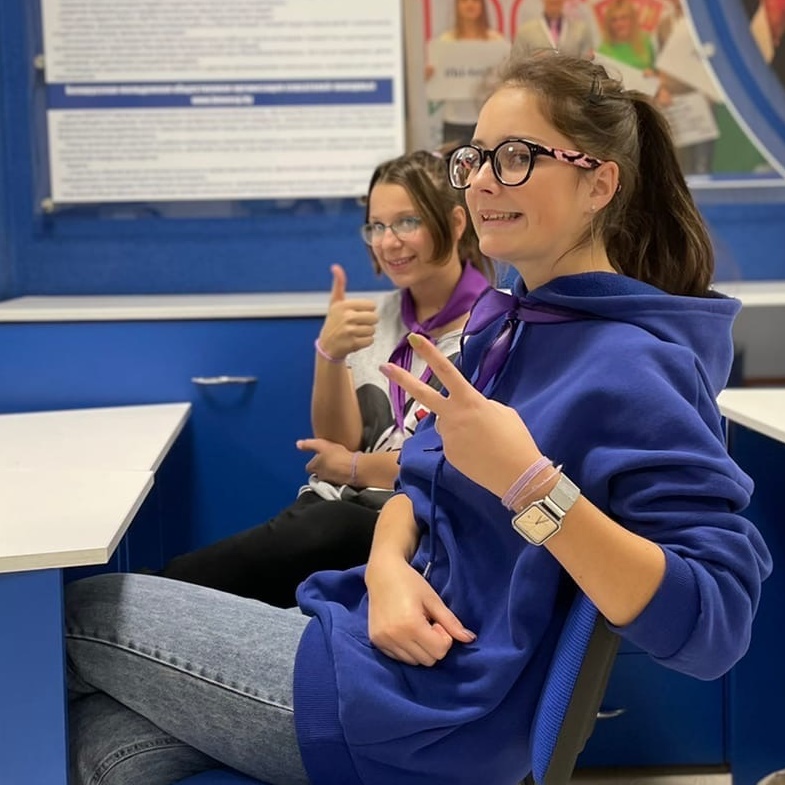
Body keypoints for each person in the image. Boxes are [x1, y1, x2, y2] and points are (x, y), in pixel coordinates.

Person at [65, 52, 772, 785]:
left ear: (599, 183)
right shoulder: (513, 325)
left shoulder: (634, 363)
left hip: (422, 713)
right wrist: (385, 569)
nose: (482, 181)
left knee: (82, 610)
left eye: (517, 157)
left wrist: (531, 485)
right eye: (475, 158)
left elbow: (714, 624)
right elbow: (418, 481)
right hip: (374, 650)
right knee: (102, 748)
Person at [156, 149, 493, 609]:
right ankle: (144, 604)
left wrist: (354, 468)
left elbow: (460, 464)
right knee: (304, 530)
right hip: (335, 505)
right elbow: (338, 443)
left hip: (414, 522)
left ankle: (140, 600)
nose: (389, 242)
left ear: (455, 223)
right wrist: (330, 354)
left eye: (407, 222)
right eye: (377, 226)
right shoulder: (373, 319)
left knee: (318, 529)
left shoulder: (494, 329)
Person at [426, 0, 507, 146]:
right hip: (454, 120)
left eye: (475, 1)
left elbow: (504, 78)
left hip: (488, 120)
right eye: (464, 1)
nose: (470, 4)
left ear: (482, 6)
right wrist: (430, 76)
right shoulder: (445, 42)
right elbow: (436, 84)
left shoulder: (497, 41)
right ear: (457, 6)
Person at [511, 0, 594, 61]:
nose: (554, 0)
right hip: (537, 79)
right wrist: (532, 62)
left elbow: (588, 65)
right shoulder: (525, 32)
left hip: (572, 79)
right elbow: (515, 65)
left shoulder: (580, 30)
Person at [597, 0, 656, 70]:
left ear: (633, 19)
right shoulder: (603, 50)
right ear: (609, 24)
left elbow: (657, 70)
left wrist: (652, 72)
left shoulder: (645, 40)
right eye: (614, 20)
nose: (619, 24)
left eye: (624, 18)